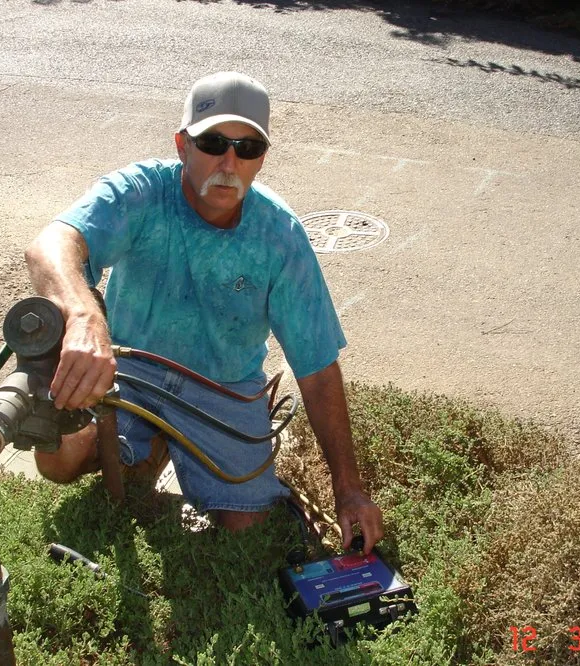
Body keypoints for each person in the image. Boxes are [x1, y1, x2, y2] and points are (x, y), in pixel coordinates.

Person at [24, 71, 383, 553]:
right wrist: (85, 320)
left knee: (247, 529)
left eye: (247, 148)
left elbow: (317, 369)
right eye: (213, 143)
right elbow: (49, 246)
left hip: (223, 389)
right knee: (59, 458)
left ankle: (159, 449)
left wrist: (349, 489)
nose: (229, 162)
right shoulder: (140, 191)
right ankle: (149, 446)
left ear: (262, 158)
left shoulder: (280, 236)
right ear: (182, 145)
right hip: (131, 372)